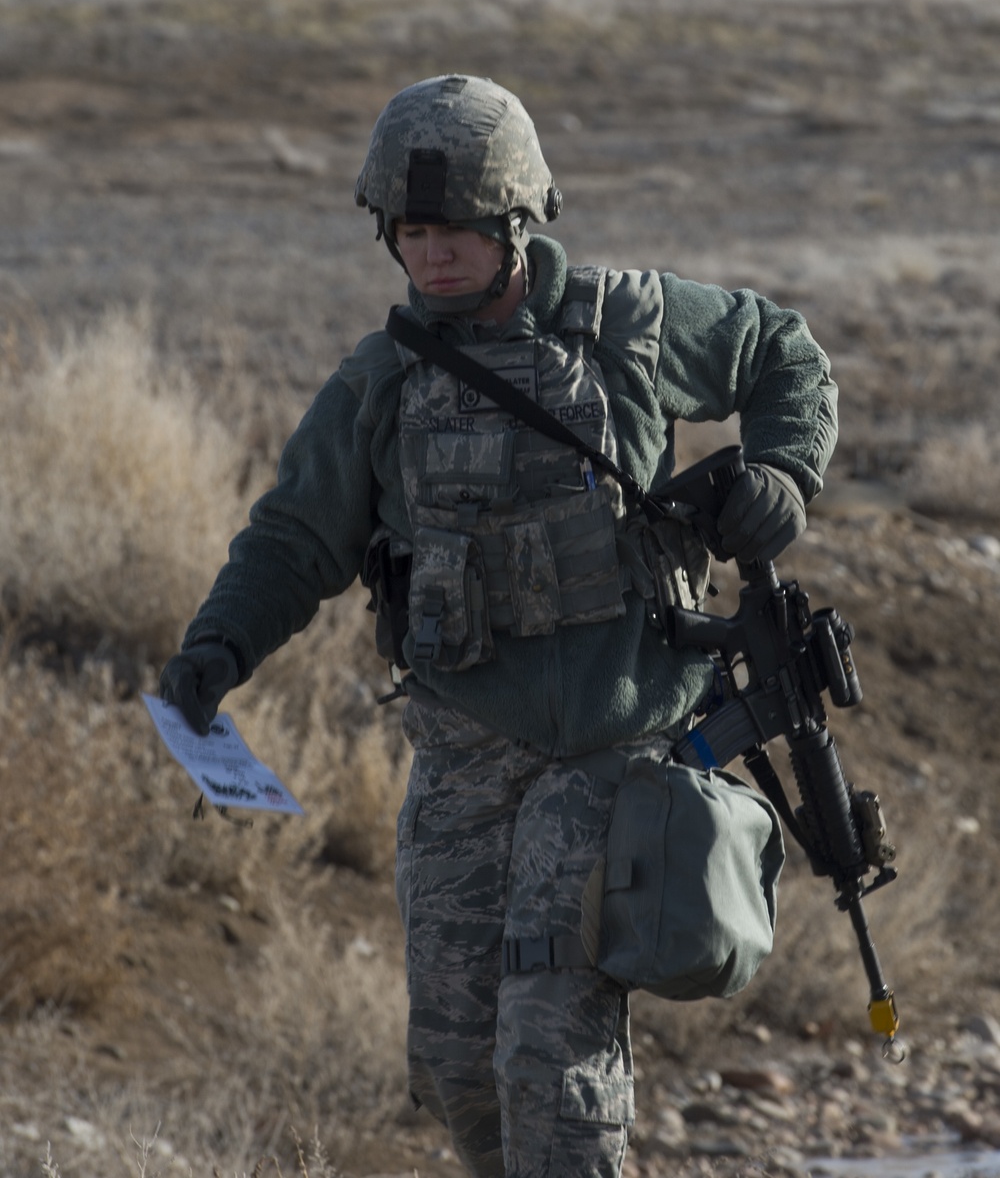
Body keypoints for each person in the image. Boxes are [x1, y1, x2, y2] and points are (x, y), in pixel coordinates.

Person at [159, 74, 838, 1178]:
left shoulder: (627, 327)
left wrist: (778, 470)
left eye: (460, 231)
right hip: (467, 756)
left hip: (610, 750)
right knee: (457, 1063)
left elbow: (781, 352)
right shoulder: (378, 384)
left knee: (547, 1051)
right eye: (414, 231)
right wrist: (215, 651)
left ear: (516, 221)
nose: (433, 255)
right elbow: (293, 540)